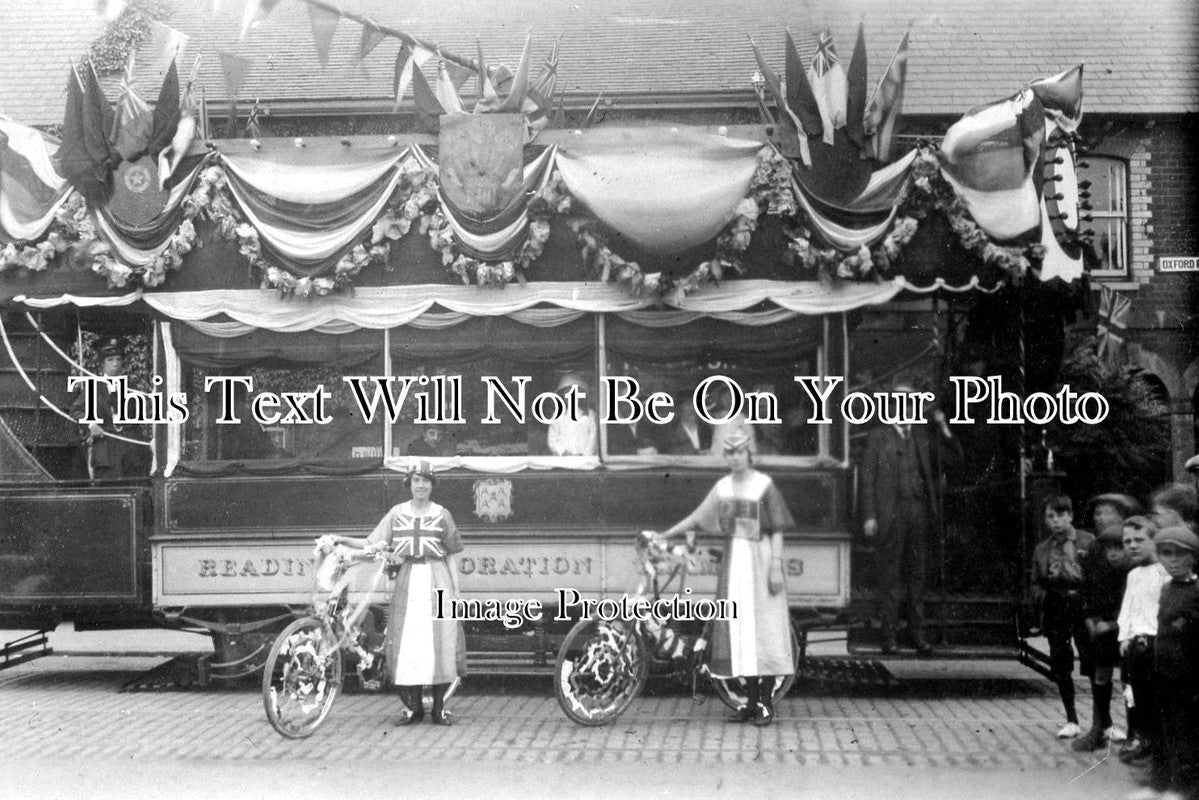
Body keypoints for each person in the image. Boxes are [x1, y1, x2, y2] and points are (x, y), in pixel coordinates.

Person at [660, 432, 796, 727]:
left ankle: (765, 704)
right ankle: (749, 702)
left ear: (750, 453)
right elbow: (696, 518)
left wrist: (775, 566)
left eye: (740, 452)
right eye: (730, 453)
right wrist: (664, 535)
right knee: (739, 633)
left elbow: (777, 530)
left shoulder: (763, 485)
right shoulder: (722, 488)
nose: (735, 457)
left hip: (761, 561)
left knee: (764, 631)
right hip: (735, 565)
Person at [327, 460, 465, 725]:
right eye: (416, 480)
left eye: (426, 480)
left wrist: (455, 593)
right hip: (408, 580)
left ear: (432, 485)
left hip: (438, 580)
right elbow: (371, 544)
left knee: (439, 644)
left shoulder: (442, 514)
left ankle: (438, 708)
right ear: (409, 484)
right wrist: (343, 540)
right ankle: (413, 709)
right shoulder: (396, 514)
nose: (421, 485)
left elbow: (449, 556)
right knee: (409, 645)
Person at [859, 375, 957, 656]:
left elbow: (955, 459)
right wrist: (869, 516)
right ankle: (889, 638)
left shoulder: (924, 436)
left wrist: (943, 426)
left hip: (918, 513)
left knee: (917, 577)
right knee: (889, 578)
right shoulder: (877, 437)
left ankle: (918, 636)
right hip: (889, 514)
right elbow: (867, 480)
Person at [1032, 493, 1096, 739]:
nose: (1055, 521)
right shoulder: (1042, 549)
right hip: (1057, 605)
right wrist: (1046, 597)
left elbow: (1097, 574)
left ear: (1070, 515)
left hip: (1082, 603)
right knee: (1061, 662)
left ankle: (1103, 721)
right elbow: (1035, 583)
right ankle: (1071, 719)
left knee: (1091, 660)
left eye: (1060, 515)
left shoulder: (1088, 541)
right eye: (1050, 516)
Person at [1116, 516, 1168, 772]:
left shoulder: (1164, 573)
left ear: (1153, 540)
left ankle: (1158, 747)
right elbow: (1128, 608)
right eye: (1127, 541)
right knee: (1132, 695)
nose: (1132, 546)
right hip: (1135, 644)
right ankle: (1140, 739)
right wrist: (1124, 637)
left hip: (1156, 644)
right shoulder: (1134, 574)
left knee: (1153, 698)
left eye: (1139, 540)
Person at [1072, 524, 1130, 751]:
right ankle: (1099, 728)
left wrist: (1112, 624)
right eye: (1109, 549)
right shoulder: (1100, 571)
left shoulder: (1133, 572)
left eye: (1119, 548)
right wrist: (1092, 620)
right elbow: (1088, 596)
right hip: (1103, 634)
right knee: (1101, 675)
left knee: (1129, 682)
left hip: (1124, 632)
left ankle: (1134, 732)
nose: (1113, 553)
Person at [1151, 526, 1199, 797]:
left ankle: (1187, 787)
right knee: (1165, 728)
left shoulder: (1196, 590)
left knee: (1187, 732)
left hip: (1189, 675)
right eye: (1166, 553)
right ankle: (1166, 783)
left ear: (1193, 557)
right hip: (1164, 671)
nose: (1173, 560)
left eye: (1180, 554)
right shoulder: (1167, 588)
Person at [70, 336, 149, 480]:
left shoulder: (132, 386)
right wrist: (91, 424)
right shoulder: (92, 387)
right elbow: (76, 411)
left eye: (118, 359)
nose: (115, 364)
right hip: (105, 452)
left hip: (130, 452)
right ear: (102, 364)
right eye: (110, 360)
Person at [546, 373, 597, 457]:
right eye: (567, 393)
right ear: (562, 396)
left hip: (586, 462)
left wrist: (584, 455)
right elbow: (552, 440)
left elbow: (593, 437)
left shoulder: (590, 415)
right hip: (563, 461)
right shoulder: (557, 415)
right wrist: (563, 451)